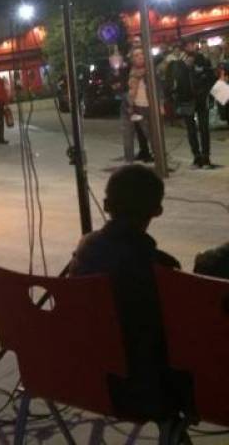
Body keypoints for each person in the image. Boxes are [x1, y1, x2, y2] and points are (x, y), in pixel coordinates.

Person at [69, 165, 184, 420]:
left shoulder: (85, 251)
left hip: (78, 377)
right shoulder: (161, 270)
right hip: (142, 390)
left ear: (107, 204)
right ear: (158, 210)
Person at [167, 44, 216, 168]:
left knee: (204, 129)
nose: (190, 58)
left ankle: (205, 157)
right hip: (186, 101)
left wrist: (206, 93)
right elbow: (173, 83)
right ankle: (197, 157)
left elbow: (211, 79)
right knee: (191, 131)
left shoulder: (202, 62)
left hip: (201, 100)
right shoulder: (178, 66)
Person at [124, 47, 154, 163]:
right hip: (138, 105)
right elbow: (131, 90)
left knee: (152, 133)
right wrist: (131, 105)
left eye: (141, 54)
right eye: (136, 55)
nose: (140, 57)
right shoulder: (132, 72)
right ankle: (146, 153)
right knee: (143, 132)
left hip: (150, 104)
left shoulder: (150, 69)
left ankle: (157, 154)